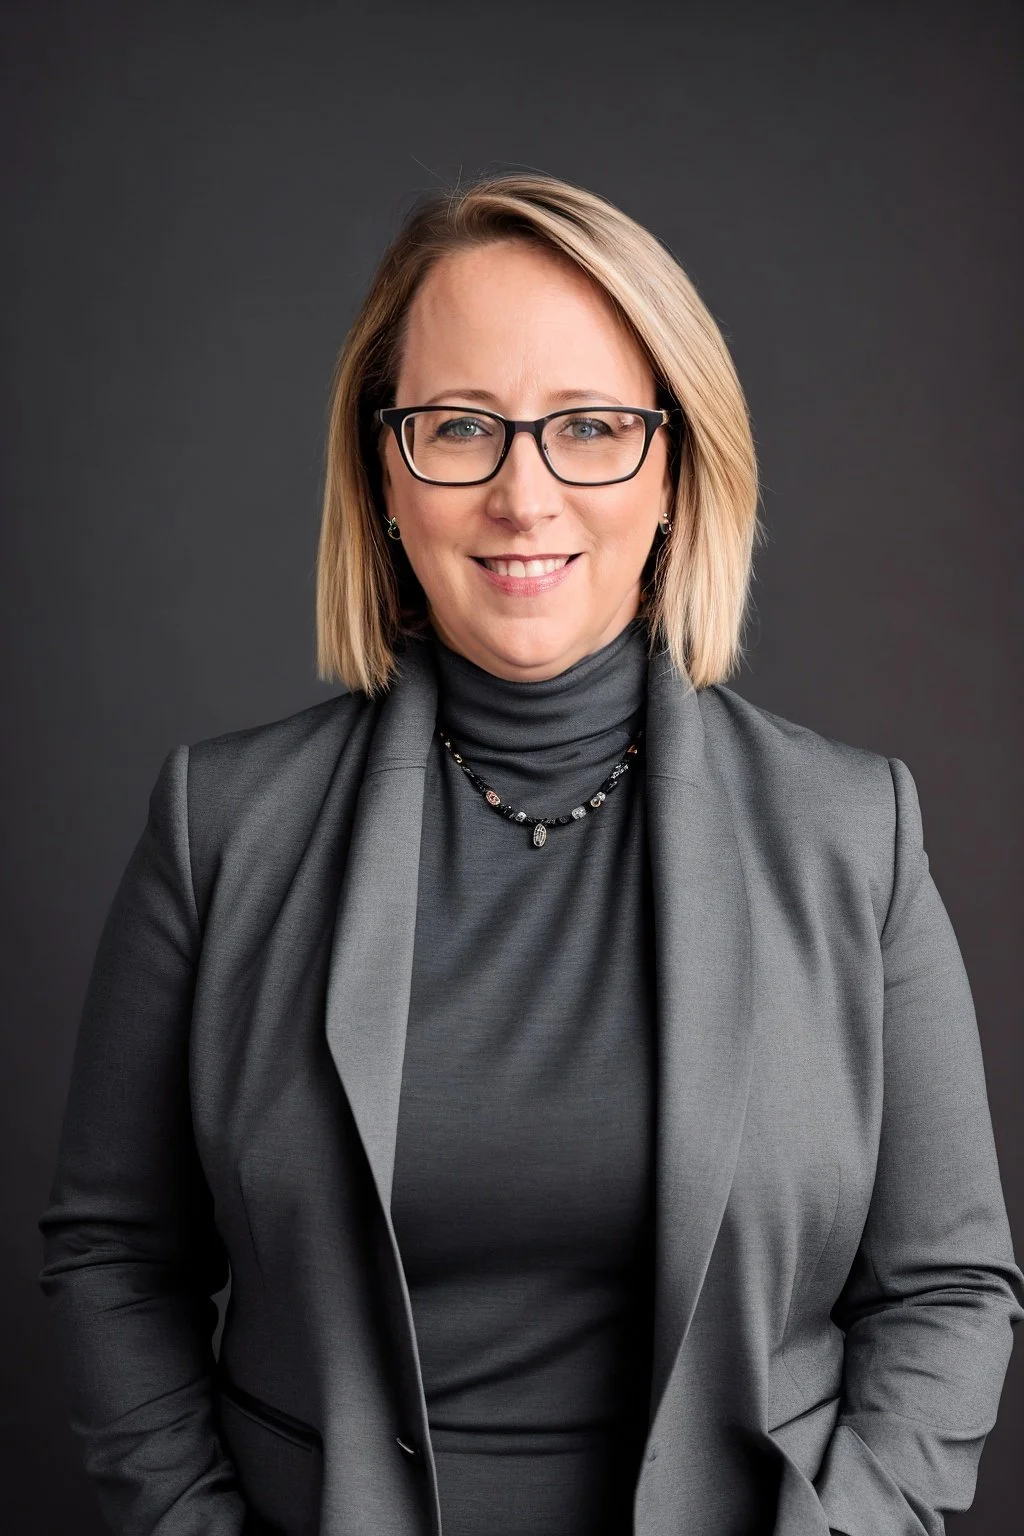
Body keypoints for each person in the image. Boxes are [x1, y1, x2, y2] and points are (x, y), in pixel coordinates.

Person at [39, 171, 1022, 1536]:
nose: (523, 492)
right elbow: (115, 1258)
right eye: (459, 428)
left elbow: (949, 1288)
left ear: (675, 466)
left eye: (592, 427)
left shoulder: (855, 830)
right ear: (384, 469)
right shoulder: (224, 824)